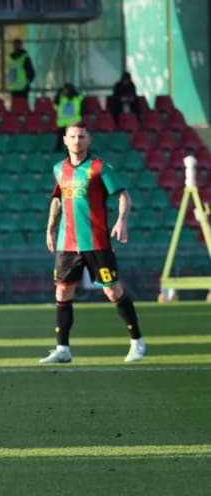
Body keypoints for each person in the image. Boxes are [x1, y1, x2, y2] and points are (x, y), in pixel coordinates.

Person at [38, 123, 146, 365]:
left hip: (97, 243)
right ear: (65, 140)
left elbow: (123, 196)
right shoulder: (59, 169)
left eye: (81, 137)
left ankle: (137, 342)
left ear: (89, 140)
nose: (77, 141)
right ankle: (63, 348)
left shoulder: (99, 168)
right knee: (63, 292)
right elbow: (57, 201)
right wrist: (50, 229)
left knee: (112, 291)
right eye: (73, 136)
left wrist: (122, 221)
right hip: (67, 244)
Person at [6, 38, 35, 105]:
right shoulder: (11, 56)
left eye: (18, 44)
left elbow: (31, 71)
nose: (16, 46)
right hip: (14, 87)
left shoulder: (25, 56)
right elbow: (11, 71)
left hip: (23, 88)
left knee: (22, 107)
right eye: (15, 45)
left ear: (21, 45)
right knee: (15, 108)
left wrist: (28, 81)